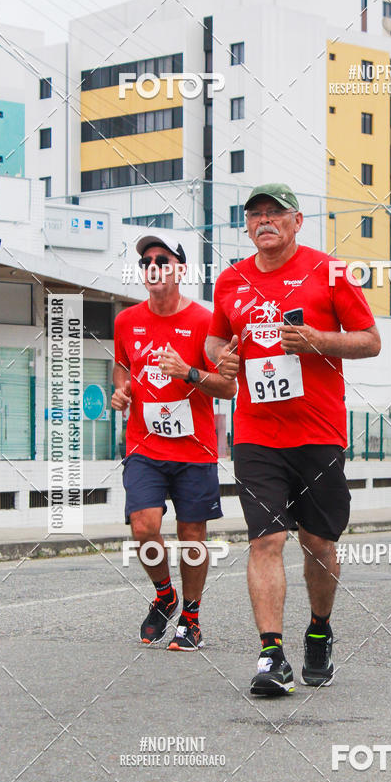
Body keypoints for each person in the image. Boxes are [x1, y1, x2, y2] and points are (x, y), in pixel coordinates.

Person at [206, 183, 381, 695]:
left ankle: (320, 631)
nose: (265, 220)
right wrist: (223, 357)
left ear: (297, 221)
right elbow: (217, 338)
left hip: (318, 433)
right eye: (255, 214)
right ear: (247, 226)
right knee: (265, 540)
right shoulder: (230, 280)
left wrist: (318, 341)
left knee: (318, 542)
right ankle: (270, 656)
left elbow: (370, 340)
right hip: (257, 435)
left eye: (275, 213)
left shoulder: (329, 271)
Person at [112, 233, 236, 649]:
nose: (152, 266)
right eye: (145, 260)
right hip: (143, 446)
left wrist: (188, 372)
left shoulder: (204, 321)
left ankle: (192, 615)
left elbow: (227, 388)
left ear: (180, 269)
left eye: (161, 259)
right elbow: (122, 368)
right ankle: (165, 595)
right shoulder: (126, 321)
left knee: (192, 535)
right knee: (143, 527)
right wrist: (122, 389)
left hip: (193, 449)